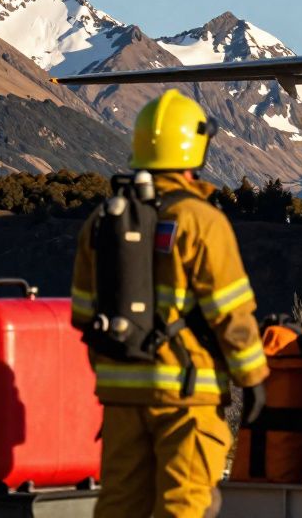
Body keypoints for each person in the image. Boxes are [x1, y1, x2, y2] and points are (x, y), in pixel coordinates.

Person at [71, 89, 269, 518]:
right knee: (184, 506)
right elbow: (231, 314)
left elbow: (83, 315)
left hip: (122, 396)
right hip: (187, 396)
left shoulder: (102, 220)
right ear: (195, 146)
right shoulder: (201, 221)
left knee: (119, 506)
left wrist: (119, 370)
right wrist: (252, 378)